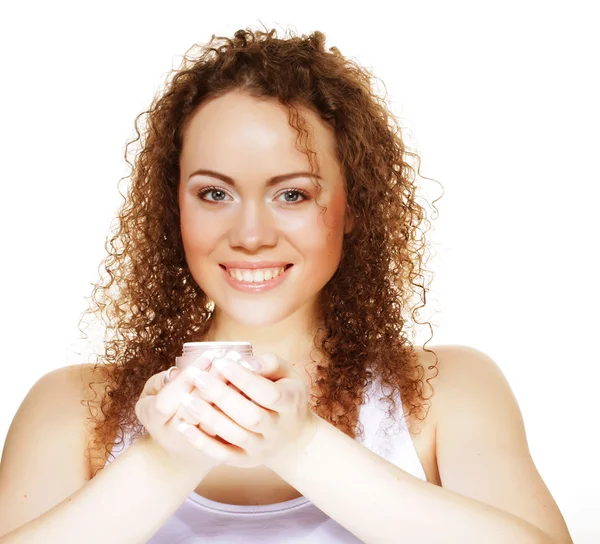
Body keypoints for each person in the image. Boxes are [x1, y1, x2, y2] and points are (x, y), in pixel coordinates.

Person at [0, 26, 572, 544]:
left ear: (354, 206)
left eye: (292, 194)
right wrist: (165, 461)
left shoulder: (449, 391)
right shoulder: (71, 408)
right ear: (173, 206)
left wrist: (301, 446)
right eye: (214, 193)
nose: (250, 235)